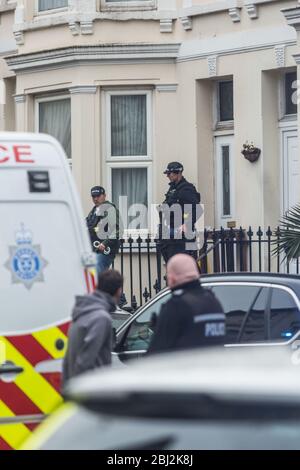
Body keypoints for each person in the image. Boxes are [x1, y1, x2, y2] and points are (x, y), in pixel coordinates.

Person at [147, 254, 225, 355]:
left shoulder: (176, 306)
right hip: (215, 369)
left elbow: (155, 354)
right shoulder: (214, 302)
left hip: (187, 369)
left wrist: (159, 327)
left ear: (172, 278)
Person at [62, 269, 123, 385]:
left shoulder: (82, 312)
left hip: (74, 387)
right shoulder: (101, 318)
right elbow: (86, 360)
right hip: (91, 390)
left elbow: (68, 358)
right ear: (118, 291)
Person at [157, 162, 201, 263]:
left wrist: (186, 224)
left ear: (178, 173)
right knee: (172, 264)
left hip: (181, 238)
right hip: (171, 236)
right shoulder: (173, 188)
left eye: (169, 173)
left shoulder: (186, 189)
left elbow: (196, 209)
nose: (167, 176)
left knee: (183, 265)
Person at [86, 186, 121, 274]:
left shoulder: (109, 209)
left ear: (104, 195)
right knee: (93, 277)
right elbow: (88, 225)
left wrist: (104, 244)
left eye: (98, 196)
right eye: (93, 196)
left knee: (96, 277)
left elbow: (117, 230)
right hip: (94, 250)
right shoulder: (95, 210)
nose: (95, 198)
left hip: (104, 250)